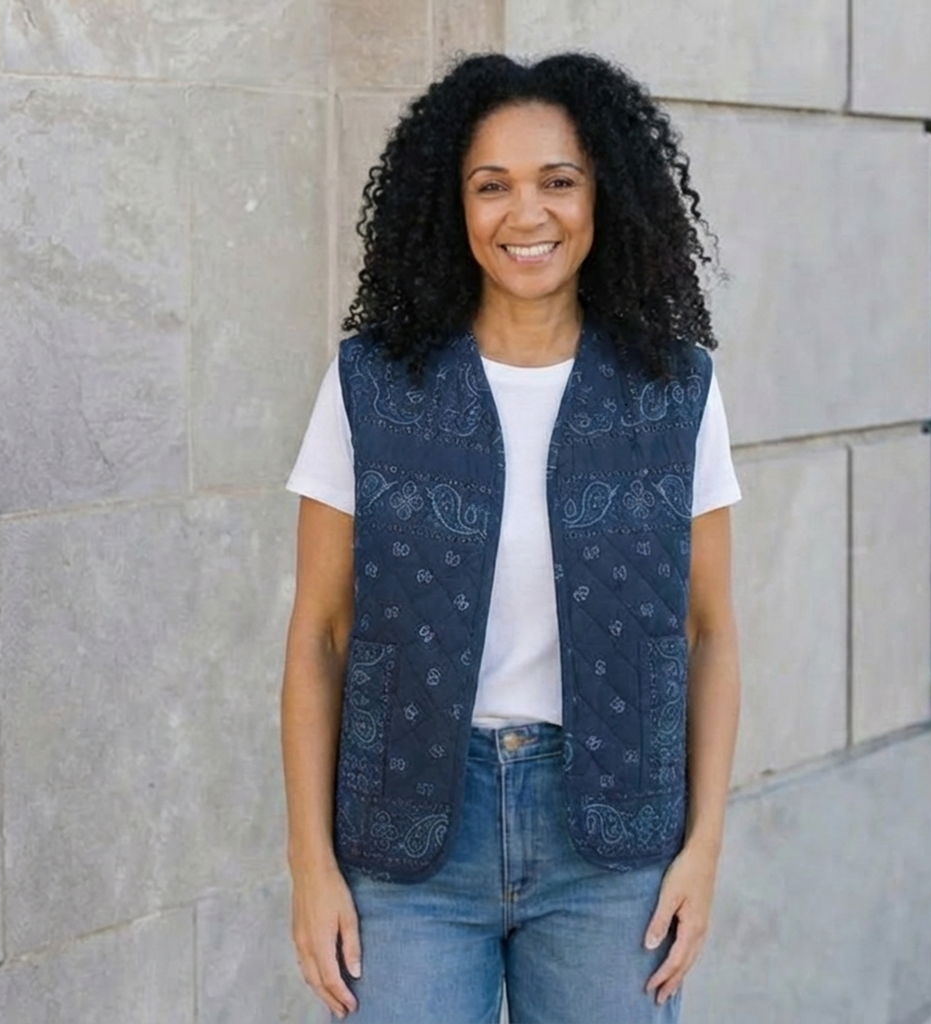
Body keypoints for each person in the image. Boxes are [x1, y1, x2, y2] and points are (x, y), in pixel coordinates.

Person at [281, 52, 741, 1024]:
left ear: (604, 195)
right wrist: (310, 864)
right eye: (491, 186)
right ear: (451, 206)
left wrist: (702, 847)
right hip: (407, 844)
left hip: (612, 852)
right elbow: (319, 633)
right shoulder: (371, 385)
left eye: (557, 181)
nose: (525, 213)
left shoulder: (675, 391)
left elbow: (708, 630)